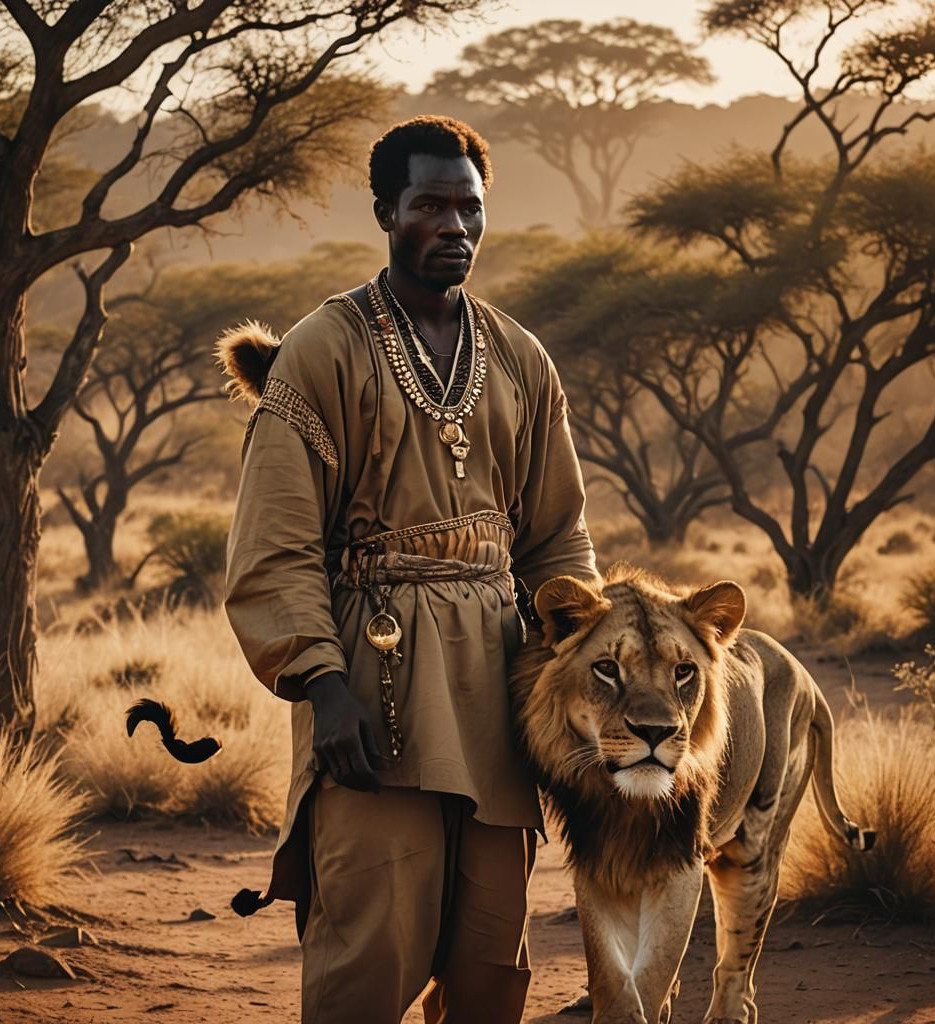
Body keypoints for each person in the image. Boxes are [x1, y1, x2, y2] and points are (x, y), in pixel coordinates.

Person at [223, 115, 600, 1024]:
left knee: (490, 958)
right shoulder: (323, 348)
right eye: (431, 205)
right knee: (369, 947)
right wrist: (323, 685)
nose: (454, 226)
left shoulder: (522, 357)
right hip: (373, 687)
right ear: (386, 211)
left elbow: (557, 543)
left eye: (469, 207)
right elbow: (276, 545)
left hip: (501, 696)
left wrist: (577, 684)